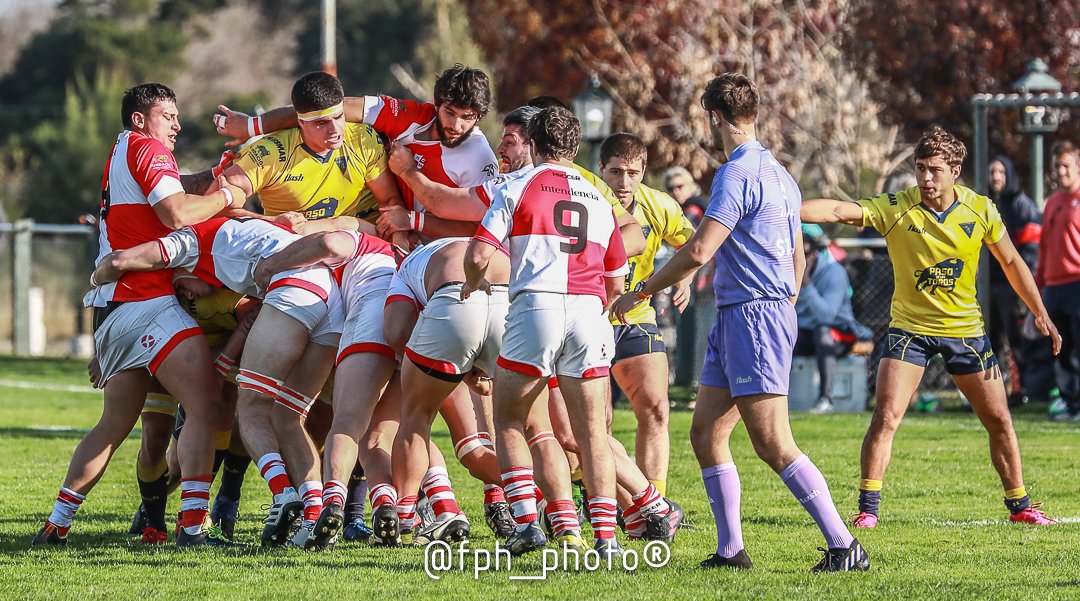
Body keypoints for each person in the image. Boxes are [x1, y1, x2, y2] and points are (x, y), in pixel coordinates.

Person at [612, 72, 868, 572]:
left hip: (752, 315)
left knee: (773, 442)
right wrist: (784, 301)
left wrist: (642, 290)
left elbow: (702, 249)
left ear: (714, 117)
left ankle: (844, 545)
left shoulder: (736, 173)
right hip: (744, 315)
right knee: (706, 434)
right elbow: (797, 256)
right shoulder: (782, 176)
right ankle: (731, 551)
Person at [802, 125, 1062, 529]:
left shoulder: (981, 210)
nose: (925, 178)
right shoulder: (898, 207)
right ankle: (867, 510)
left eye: (935, 170)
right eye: (921, 168)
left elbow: (1012, 262)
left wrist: (1040, 311)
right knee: (886, 416)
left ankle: (1021, 506)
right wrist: (780, 206)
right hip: (909, 331)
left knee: (1000, 421)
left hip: (965, 332)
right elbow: (839, 210)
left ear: (955, 171)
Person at [33, 83, 246, 547]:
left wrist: (216, 173)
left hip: (113, 310)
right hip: (145, 301)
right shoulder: (146, 146)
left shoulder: (123, 149)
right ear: (139, 119)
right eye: (167, 115)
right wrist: (224, 199)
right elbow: (175, 212)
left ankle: (57, 522)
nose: (176, 124)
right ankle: (193, 524)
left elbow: (174, 190)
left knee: (112, 426)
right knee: (208, 404)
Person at [463, 106, 637, 558]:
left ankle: (526, 524)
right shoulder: (600, 199)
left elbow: (480, 253)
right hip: (587, 311)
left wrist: (471, 283)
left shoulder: (515, 184)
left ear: (534, 146)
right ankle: (606, 538)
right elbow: (616, 279)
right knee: (592, 432)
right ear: (576, 149)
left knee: (509, 419)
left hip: (536, 307)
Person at [216, 64, 500, 244]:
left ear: (480, 117)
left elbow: (481, 232)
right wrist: (253, 125)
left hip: (441, 249)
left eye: (468, 117)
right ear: (436, 103)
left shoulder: (479, 157)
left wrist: (412, 209)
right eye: (449, 112)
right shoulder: (411, 116)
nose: (456, 125)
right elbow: (323, 109)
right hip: (390, 233)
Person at [250, 226, 400, 549]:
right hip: (415, 317)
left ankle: (332, 503)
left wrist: (271, 265)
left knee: (347, 422)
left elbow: (328, 243)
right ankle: (392, 505)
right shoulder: (402, 257)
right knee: (383, 435)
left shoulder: (359, 241)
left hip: (375, 309)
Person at [598, 133, 695, 497]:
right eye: (616, 172)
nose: (624, 183)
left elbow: (693, 244)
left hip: (636, 317)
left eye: (633, 173)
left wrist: (686, 276)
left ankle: (657, 504)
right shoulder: (585, 199)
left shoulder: (660, 205)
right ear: (600, 169)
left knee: (656, 409)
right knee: (597, 423)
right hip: (586, 321)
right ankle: (603, 498)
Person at [987, 155, 1046, 407]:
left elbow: (1031, 251)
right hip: (989, 286)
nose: (996, 177)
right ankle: (993, 395)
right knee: (989, 342)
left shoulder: (1022, 205)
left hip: (1012, 286)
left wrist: (1025, 286)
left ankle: (1023, 392)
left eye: (1001, 172)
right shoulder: (986, 204)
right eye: (992, 172)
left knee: (1017, 341)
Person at [795, 224, 871, 414]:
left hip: (839, 333)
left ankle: (826, 398)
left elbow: (826, 316)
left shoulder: (833, 273)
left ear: (815, 252)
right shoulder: (786, 271)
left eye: (805, 252)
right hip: (807, 332)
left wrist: (806, 284)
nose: (800, 259)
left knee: (823, 332)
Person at [1037, 140, 1080, 421]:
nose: (1061, 171)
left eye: (1066, 165)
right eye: (1057, 166)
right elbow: (1044, 247)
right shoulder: (1051, 202)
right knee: (1060, 348)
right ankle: (1068, 402)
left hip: (1077, 282)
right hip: (1053, 287)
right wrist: (1038, 284)